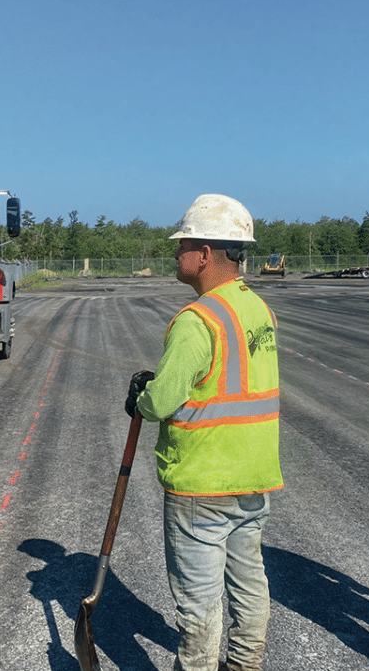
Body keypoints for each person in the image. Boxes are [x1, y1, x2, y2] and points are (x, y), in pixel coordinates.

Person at [127, 194, 282, 671]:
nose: (176, 254)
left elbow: (161, 401)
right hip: (253, 476)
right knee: (250, 584)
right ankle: (244, 665)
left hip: (202, 483)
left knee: (198, 603)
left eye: (183, 245)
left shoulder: (198, 321)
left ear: (207, 254)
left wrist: (142, 396)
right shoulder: (257, 310)